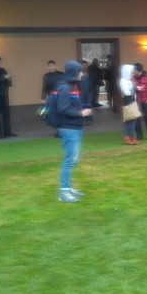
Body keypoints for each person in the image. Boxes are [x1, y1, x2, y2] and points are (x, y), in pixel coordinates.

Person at [56, 60, 92, 203]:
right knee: (70, 160)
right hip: (69, 128)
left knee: (72, 159)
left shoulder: (71, 86)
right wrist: (80, 113)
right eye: (80, 71)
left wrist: (81, 110)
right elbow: (62, 109)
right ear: (74, 73)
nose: (82, 74)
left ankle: (68, 188)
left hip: (74, 127)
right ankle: (64, 192)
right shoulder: (65, 88)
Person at [133, 63, 147, 141]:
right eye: (136, 72)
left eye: (138, 72)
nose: (137, 73)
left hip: (146, 101)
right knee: (137, 119)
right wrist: (136, 89)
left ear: (141, 71)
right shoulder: (132, 78)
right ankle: (139, 135)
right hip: (136, 101)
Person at [120, 64, 139, 145]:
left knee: (131, 120)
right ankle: (130, 137)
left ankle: (129, 137)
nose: (132, 73)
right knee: (131, 120)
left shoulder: (129, 80)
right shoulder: (124, 81)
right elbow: (126, 92)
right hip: (128, 101)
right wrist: (133, 90)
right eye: (131, 72)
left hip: (131, 100)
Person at [79, 60, 93, 125]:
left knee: (88, 106)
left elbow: (94, 81)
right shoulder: (79, 73)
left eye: (86, 65)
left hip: (89, 92)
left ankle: (89, 120)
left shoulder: (91, 73)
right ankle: (83, 120)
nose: (85, 66)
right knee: (82, 106)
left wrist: (93, 88)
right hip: (81, 93)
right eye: (83, 65)